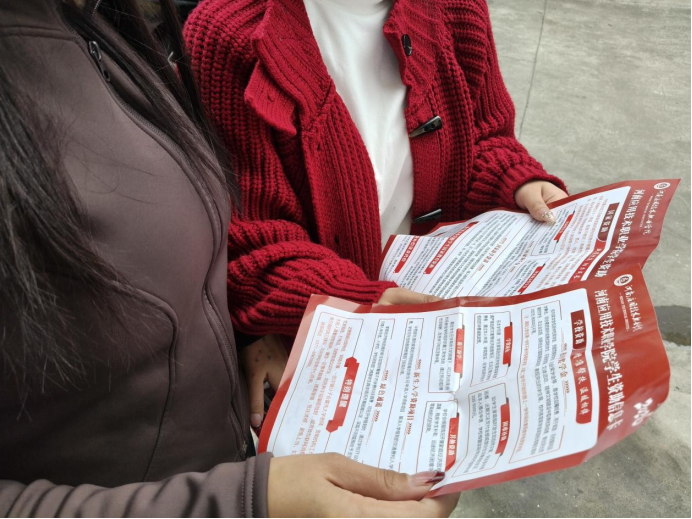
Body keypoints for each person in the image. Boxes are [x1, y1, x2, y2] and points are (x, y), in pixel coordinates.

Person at [0, 0, 459, 516]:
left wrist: (242, 331)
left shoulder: (96, 21)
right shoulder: (226, 32)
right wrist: (248, 501)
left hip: (241, 445)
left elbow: (190, 240)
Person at [184, 0, 569, 428]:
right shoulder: (228, 33)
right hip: (324, 354)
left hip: (444, 334)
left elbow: (483, 134)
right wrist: (357, 299)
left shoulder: (457, 9)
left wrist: (516, 181)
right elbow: (249, 236)